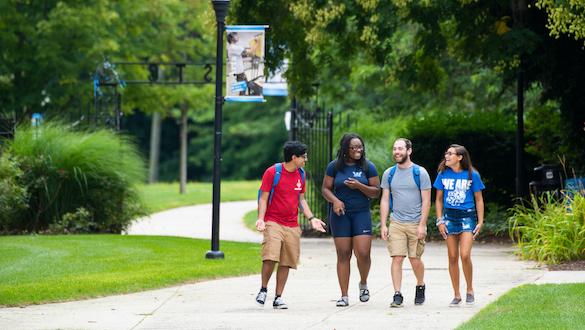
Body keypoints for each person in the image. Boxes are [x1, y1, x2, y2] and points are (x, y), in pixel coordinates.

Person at [255, 141, 327, 309]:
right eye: (304, 156)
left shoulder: (301, 174)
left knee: (287, 261)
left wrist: (312, 218)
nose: (306, 160)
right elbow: (263, 197)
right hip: (273, 221)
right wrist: (261, 218)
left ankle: (278, 297)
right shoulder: (273, 172)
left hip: (292, 224)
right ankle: (263, 289)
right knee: (271, 256)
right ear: (294, 157)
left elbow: (301, 200)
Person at [322, 133, 380, 307]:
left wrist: (359, 186)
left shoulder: (368, 166)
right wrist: (336, 201)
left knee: (363, 253)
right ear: (345, 149)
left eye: (360, 147)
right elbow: (325, 189)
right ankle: (344, 295)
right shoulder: (334, 167)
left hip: (361, 213)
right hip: (341, 215)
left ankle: (363, 283)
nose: (358, 150)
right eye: (354, 147)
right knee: (343, 254)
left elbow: (376, 191)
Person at [379, 138, 431, 308]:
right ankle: (397, 294)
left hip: (416, 222)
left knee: (415, 259)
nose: (397, 152)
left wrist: (422, 224)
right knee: (397, 258)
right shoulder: (389, 173)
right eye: (394, 149)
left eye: (400, 148)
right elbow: (385, 200)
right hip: (397, 222)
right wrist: (384, 224)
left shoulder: (420, 172)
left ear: (409, 151)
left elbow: (426, 201)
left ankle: (420, 284)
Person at [434, 144, 485, 307]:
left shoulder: (472, 175)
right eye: (446, 153)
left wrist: (480, 221)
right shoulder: (443, 174)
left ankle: (469, 289)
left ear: (460, 157)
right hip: (449, 217)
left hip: (467, 217)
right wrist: (440, 220)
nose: (446, 156)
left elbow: (479, 199)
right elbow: (439, 199)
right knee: (452, 256)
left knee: (464, 254)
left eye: (450, 154)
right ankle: (456, 294)